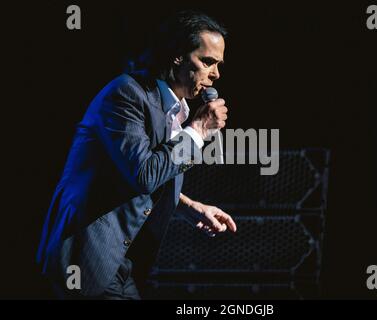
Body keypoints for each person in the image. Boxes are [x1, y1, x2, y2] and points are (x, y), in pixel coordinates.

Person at [36, 10, 237, 300]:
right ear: (178, 56)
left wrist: (191, 207)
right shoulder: (126, 95)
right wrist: (197, 130)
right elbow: (143, 175)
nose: (216, 74)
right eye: (207, 61)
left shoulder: (172, 110)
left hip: (121, 262)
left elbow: (143, 174)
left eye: (218, 64)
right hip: (86, 257)